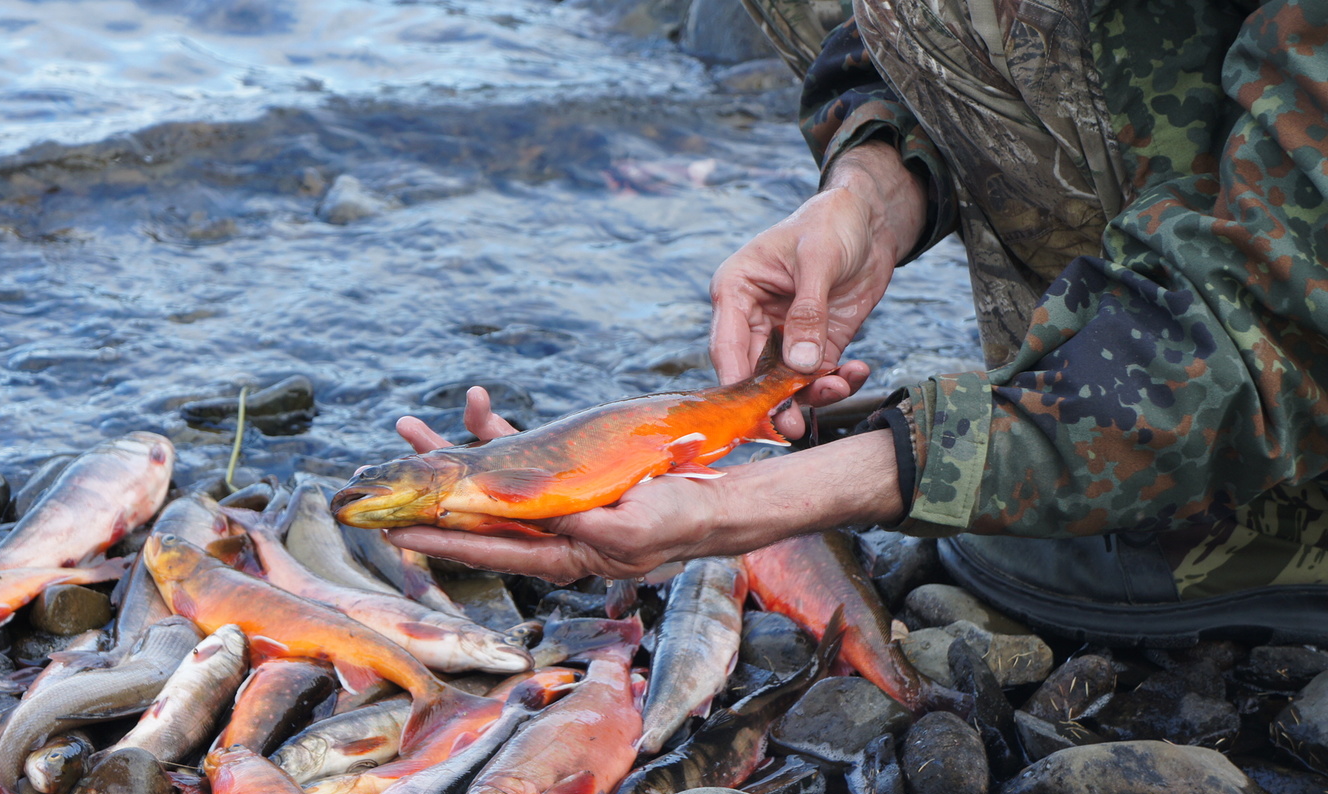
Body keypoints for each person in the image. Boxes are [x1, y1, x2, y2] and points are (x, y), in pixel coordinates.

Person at [385, 0, 1328, 647]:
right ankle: (1063, 432)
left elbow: (1272, 314)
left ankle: (1249, 511)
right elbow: (896, 40)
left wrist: (741, 505)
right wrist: (875, 187)